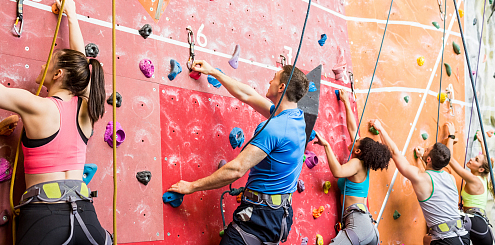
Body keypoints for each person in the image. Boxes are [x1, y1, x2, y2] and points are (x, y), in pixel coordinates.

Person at [0, 0, 111, 245]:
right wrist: (71, 16)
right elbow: (80, 62)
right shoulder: (87, 108)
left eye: (48, 63)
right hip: (89, 222)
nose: (43, 66)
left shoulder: (36, 106)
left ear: (58, 74)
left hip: (47, 222)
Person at [168, 60, 309, 245]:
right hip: (278, 214)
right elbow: (248, 95)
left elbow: (236, 170)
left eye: (274, 79)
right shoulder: (295, 118)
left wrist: (191, 187)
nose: (269, 81)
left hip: (261, 218)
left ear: (282, 86)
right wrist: (213, 72)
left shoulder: (276, 128)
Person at [369, 119, 469, 245]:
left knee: (428, 239)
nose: (425, 148)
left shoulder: (420, 177)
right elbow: (432, 176)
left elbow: (394, 152)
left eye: (426, 149)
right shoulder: (450, 178)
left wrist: (380, 128)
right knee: (426, 239)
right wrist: (424, 158)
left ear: (429, 159)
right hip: (463, 235)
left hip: (445, 240)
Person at [313, 89, 391, 245]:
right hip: (365, 226)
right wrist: (346, 103)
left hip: (359, 225)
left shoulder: (356, 163)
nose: (354, 139)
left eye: (356, 141)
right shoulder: (362, 162)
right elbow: (352, 129)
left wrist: (327, 145)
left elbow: (338, 172)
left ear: (357, 151)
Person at [442, 123, 494, 245]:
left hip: (475, 222)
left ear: (481, 169)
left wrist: (451, 136)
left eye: (476, 160)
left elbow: (449, 159)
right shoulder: (483, 177)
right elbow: (486, 161)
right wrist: (481, 142)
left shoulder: (474, 179)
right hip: (478, 226)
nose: (471, 159)